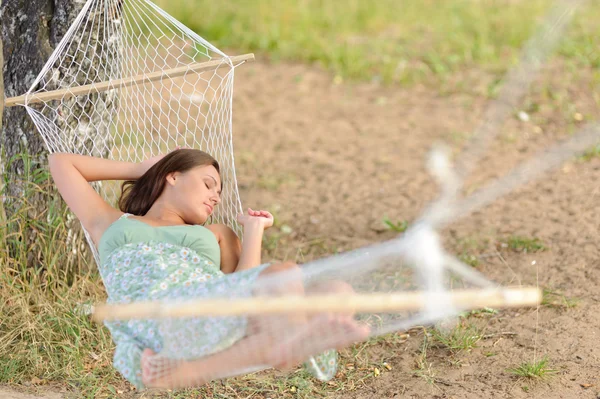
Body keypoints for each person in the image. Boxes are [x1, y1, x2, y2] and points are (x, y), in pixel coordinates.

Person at [49, 148, 369, 389]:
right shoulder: (112, 223)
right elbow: (61, 163)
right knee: (289, 279)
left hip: (203, 309)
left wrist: (254, 229)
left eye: (218, 191)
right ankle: (289, 342)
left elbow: (244, 291)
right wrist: (144, 168)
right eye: (208, 184)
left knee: (335, 291)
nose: (216, 196)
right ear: (172, 175)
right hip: (150, 314)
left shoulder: (216, 235)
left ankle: (284, 343)